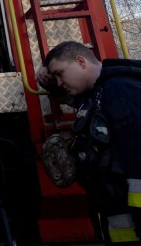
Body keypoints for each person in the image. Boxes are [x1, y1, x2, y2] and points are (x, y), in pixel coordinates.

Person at [36, 41, 141, 243]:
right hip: (118, 212)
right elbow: (78, 103)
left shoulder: (121, 89)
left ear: (81, 61)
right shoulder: (98, 94)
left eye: (60, 74)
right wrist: (51, 85)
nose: (59, 82)